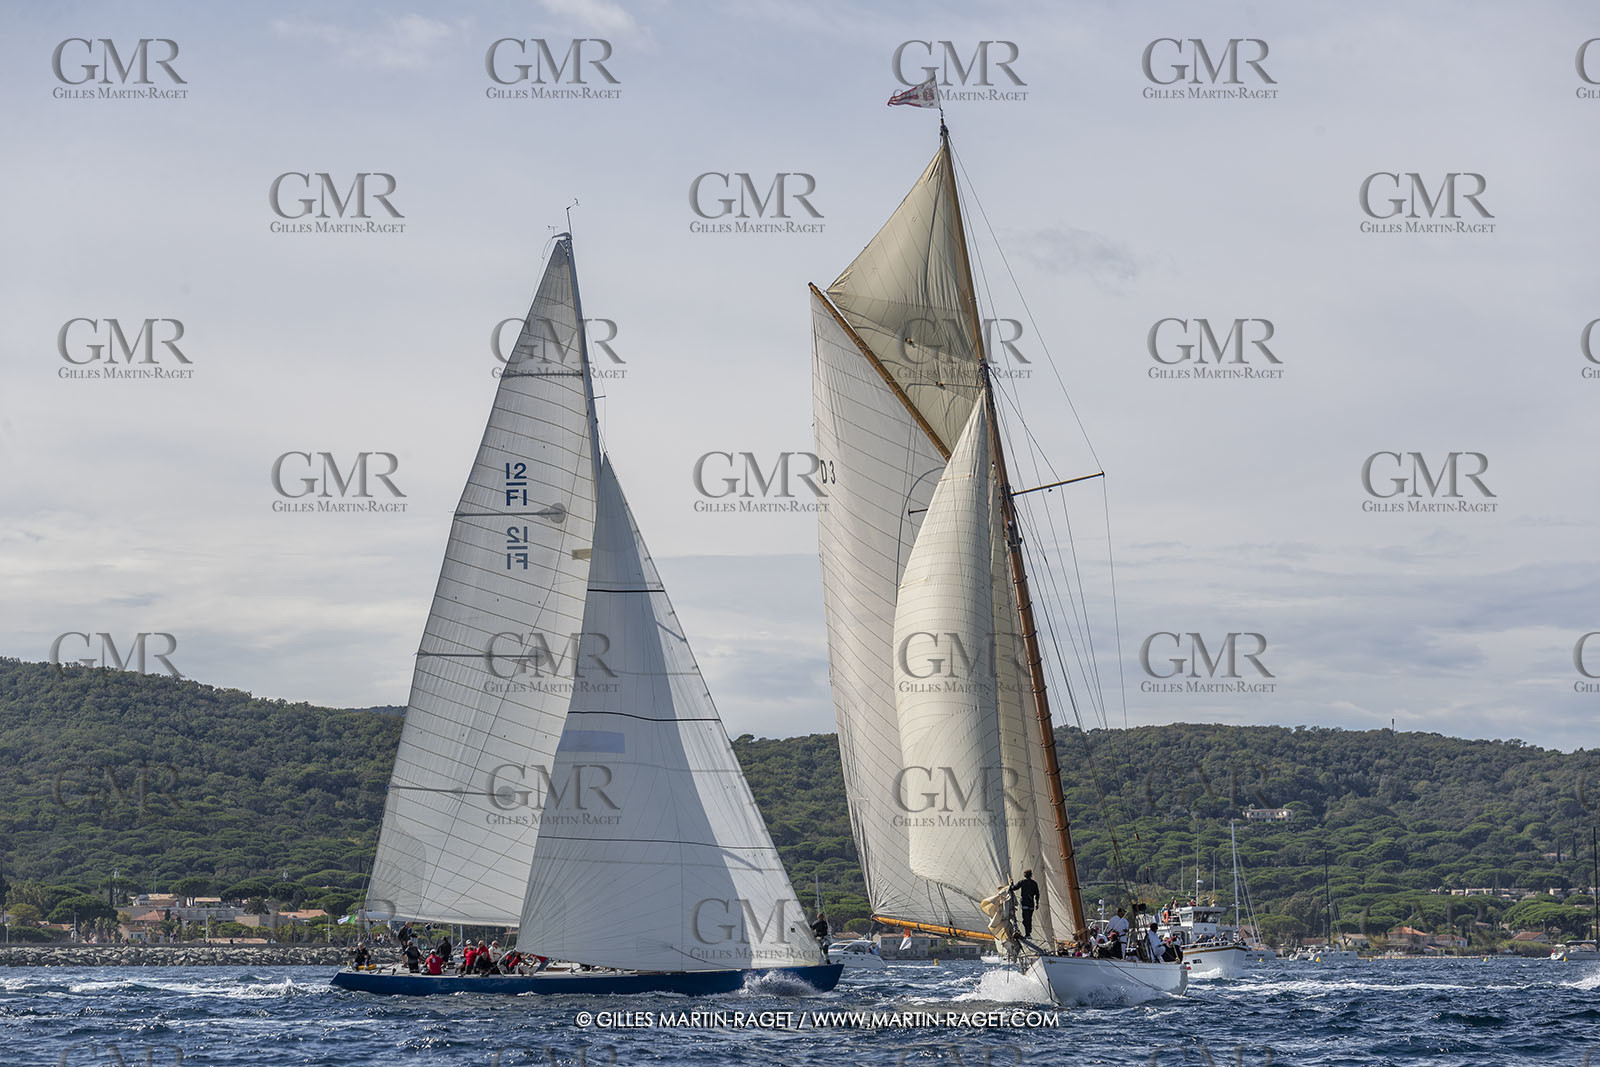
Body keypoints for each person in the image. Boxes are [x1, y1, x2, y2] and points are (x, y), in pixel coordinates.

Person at [1010, 870, 1040, 940]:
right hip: (1031, 904)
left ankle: (1028, 933)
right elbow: (1037, 894)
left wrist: (1011, 884)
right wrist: (1037, 903)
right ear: (1031, 875)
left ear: (1025, 875)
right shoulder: (1034, 883)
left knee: (1025, 919)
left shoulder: (1022, 882)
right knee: (1029, 919)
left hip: (1025, 903)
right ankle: (1028, 933)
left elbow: (1014, 888)